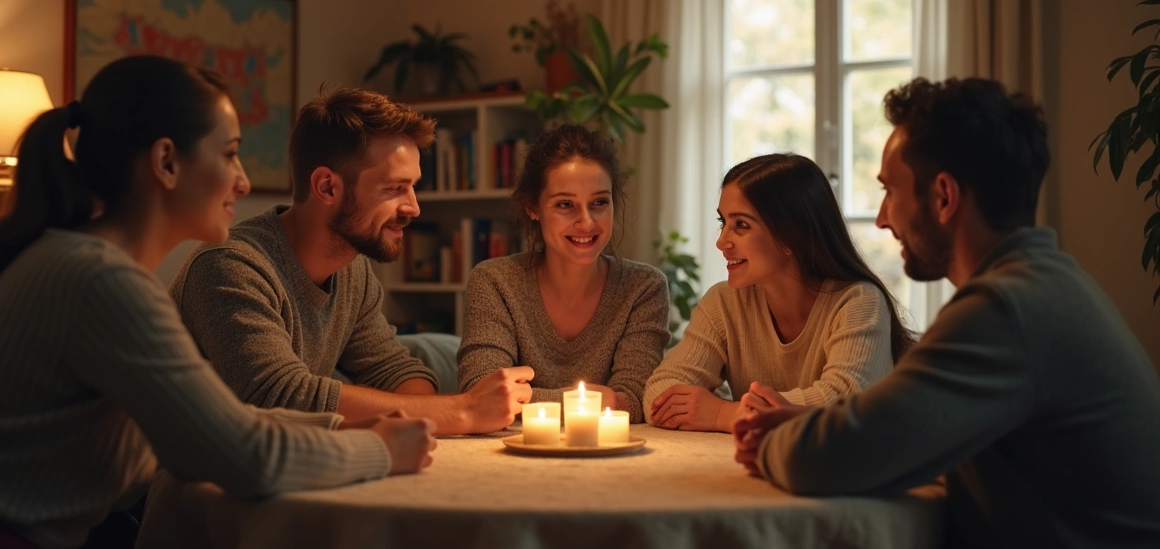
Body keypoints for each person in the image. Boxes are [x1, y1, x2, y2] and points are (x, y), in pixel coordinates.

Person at [0, 56, 435, 549]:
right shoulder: (100, 280)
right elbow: (244, 458)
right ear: (166, 163)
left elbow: (220, 420)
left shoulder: (91, 266)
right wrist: (377, 449)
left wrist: (336, 426)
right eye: (229, 154)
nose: (242, 182)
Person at [734, 77, 1160, 547]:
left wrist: (769, 442)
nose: (881, 217)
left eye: (889, 192)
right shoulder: (1045, 282)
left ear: (943, 197)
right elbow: (890, 421)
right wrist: (805, 424)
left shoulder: (1006, 310)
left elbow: (829, 460)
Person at [170, 87, 531, 435]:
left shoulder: (351, 268)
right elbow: (278, 398)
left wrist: (426, 422)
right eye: (394, 188)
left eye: (413, 187)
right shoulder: (231, 267)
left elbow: (394, 370)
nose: (414, 208)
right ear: (327, 187)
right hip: (191, 488)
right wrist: (462, 412)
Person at [643, 154, 911, 433]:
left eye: (741, 225)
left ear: (791, 235)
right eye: (724, 222)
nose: (722, 242)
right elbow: (659, 393)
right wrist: (714, 408)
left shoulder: (858, 302)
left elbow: (842, 402)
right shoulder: (724, 303)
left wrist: (724, 413)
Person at [458, 124, 670, 421]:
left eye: (599, 203)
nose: (586, 222)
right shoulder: (495, 281)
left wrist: (531, 398)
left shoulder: (643, 287)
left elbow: (633, 401)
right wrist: (592, 400)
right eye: (565, 205)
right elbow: (482, 393)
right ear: (533, 207)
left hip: (612, 456)